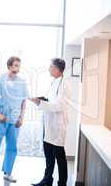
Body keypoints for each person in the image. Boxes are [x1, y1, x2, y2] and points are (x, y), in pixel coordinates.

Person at [0, 56, 29, 185]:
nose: (17, 68)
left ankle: (8, 173)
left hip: (14, 121)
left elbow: (24, 101)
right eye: (14, 66)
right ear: (8, 66)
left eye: (18, 66)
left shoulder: (22, 83)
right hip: (0, 119)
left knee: (12, 147)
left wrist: (21, 117)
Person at [30, 58, 71, 186]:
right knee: (48, 155)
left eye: (51, 67)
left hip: (58, 125)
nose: (49, 69)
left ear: (58, 69)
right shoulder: (54, 82)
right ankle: (47, 180)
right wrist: (42, 99)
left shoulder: (65, 84)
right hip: (49, 124)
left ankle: (62, 183)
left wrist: (40, 102)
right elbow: (50, 99)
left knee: (60, 157)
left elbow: (58, 106)